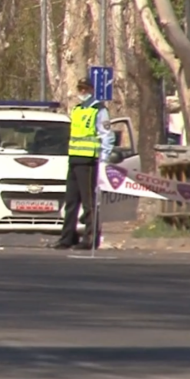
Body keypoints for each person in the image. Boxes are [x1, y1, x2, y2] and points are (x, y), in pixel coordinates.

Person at [54, 77, 115, 250]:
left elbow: (107, 136)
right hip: (74, 159)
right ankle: (66, 238)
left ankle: (90, 239)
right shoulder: (77, 109)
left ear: (91, 90)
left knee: (89, 203)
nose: (82, 92)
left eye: (85, 89)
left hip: (89, 161)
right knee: (71, 202)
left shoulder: (99, 110)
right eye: (80, 88)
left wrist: (104, 159)